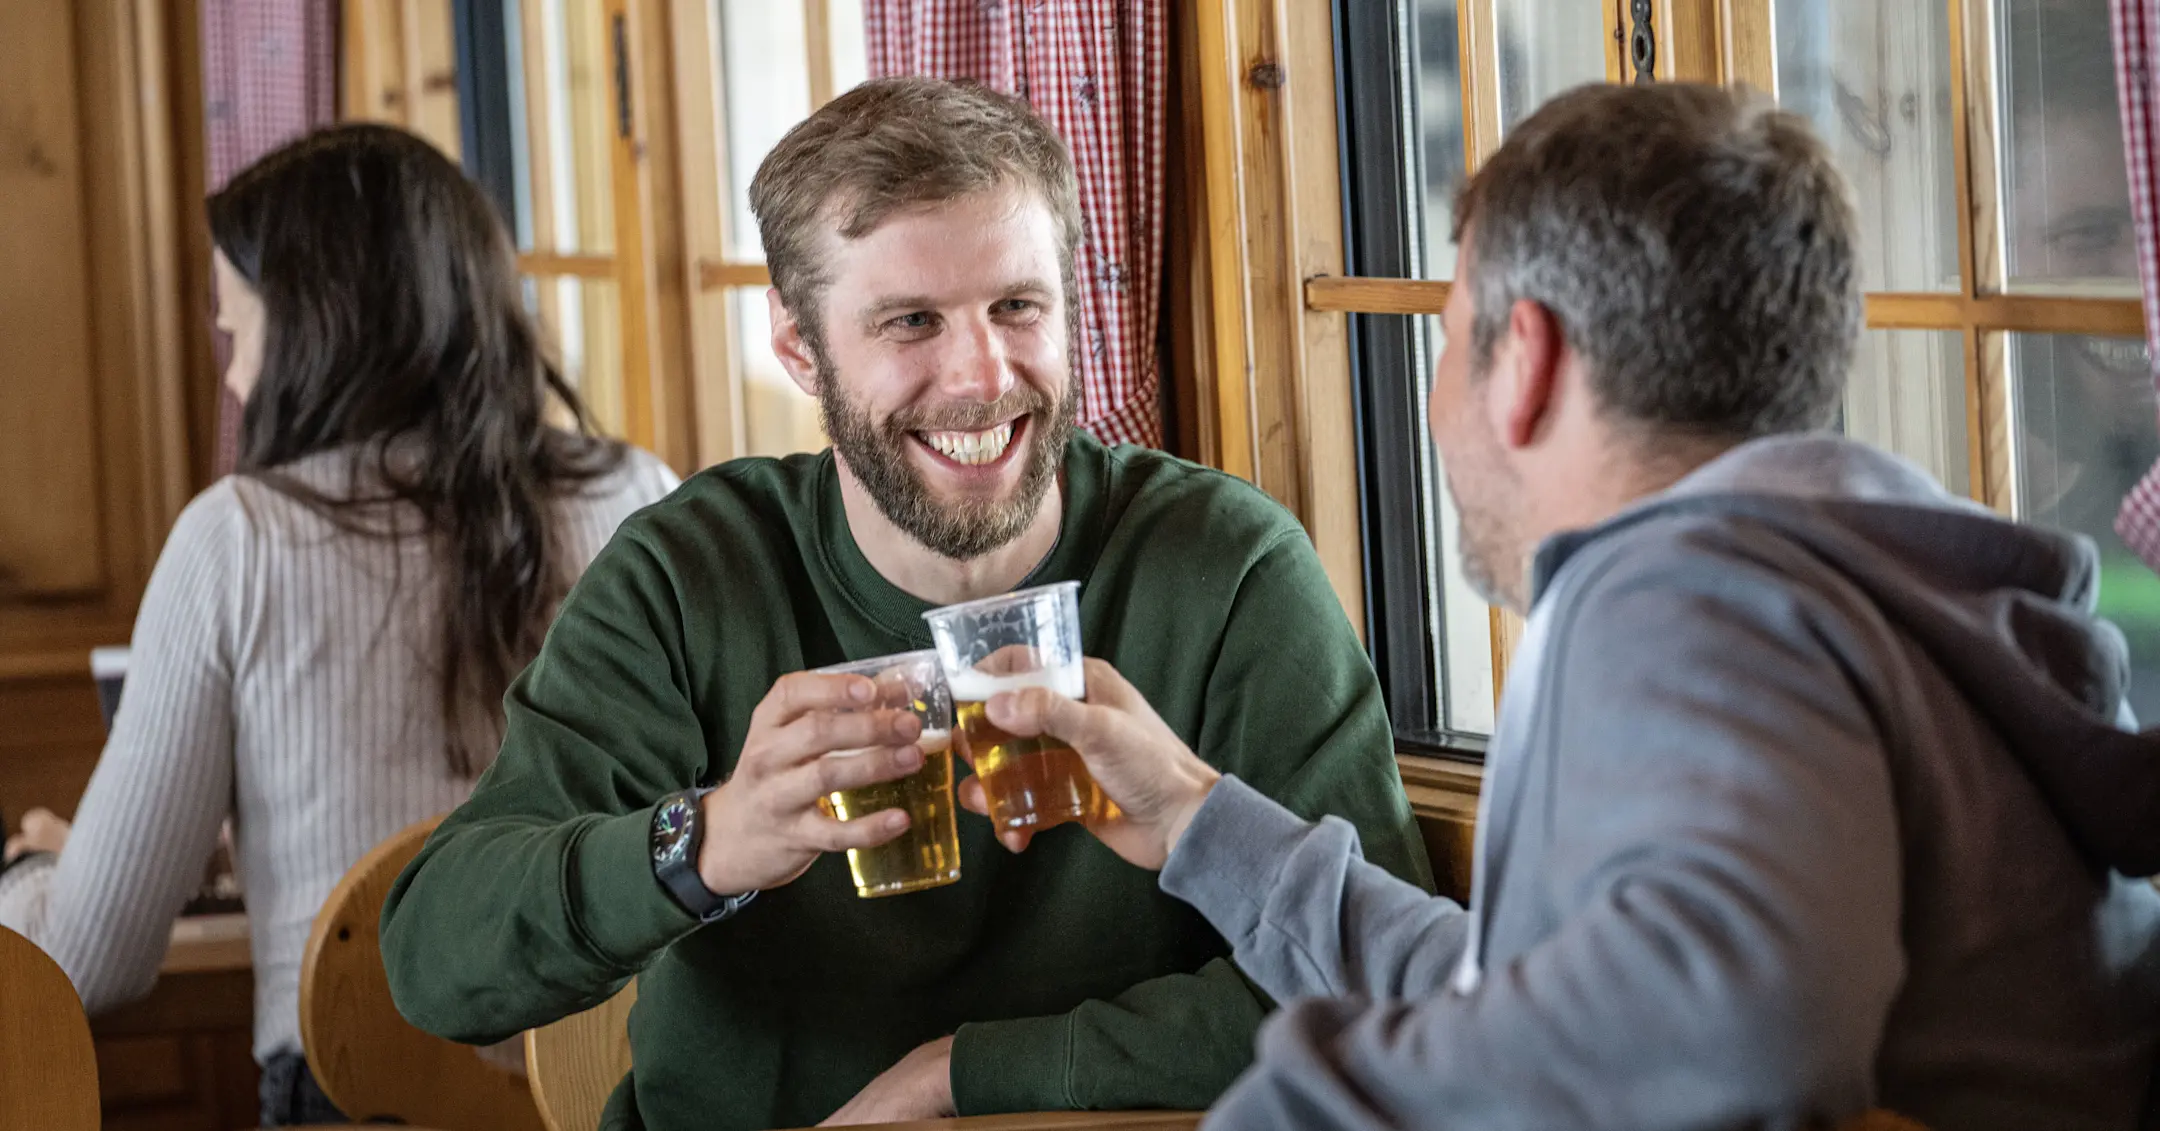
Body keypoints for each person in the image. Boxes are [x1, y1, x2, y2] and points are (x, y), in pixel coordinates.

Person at [977, 82, 2160, 1131]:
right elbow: (1540, 997)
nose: (1437, 402)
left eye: (1447, 341)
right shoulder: (1855, 589)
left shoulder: (1676, 595)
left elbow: (1722, 1022)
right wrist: (1194, 820)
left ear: (1526, 359)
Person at [377, 76, 1431, 1131]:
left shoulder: (1226, 568)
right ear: (800, 349)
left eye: (1017, 307)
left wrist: (964, 1076)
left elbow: (1384, 988)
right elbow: (437, 963)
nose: (979, 375)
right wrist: (708, 842)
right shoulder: (691, 572)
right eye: (911, 322)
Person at [0, 124, 679, 1127]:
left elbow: (88, 961)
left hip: (358, 1097)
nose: (233, 380)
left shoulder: (238, 540)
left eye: (238, 333)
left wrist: (36, 872)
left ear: (317, 328)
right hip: (627, 1088)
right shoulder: (641, 494)